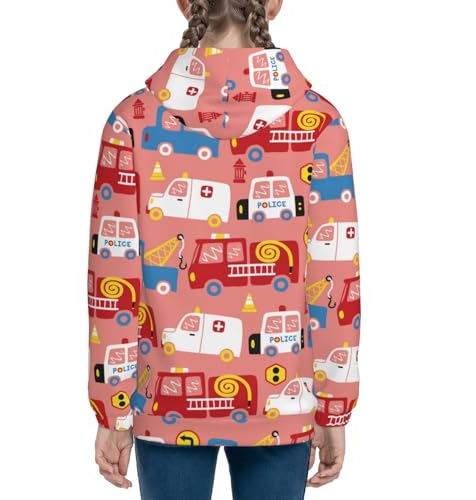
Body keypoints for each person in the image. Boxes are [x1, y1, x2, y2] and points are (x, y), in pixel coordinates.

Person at [86, 1, 361, 498]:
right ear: (273, 4)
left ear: (184, 3)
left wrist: (113, 408)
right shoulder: (320, 124)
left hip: (164, 402)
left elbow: (113, 274)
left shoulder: (132, 121)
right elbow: (335, 275)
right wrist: (333, 405)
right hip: (283, 401)